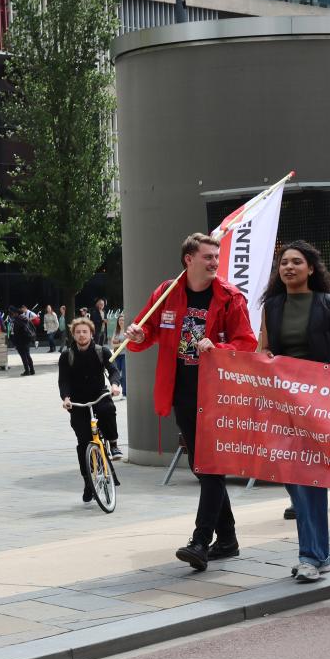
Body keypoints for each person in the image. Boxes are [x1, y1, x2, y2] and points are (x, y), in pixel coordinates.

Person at [128, 233, 258, 572]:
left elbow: (246, 343)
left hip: (216, 393)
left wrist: (219, 349)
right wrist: (140, 336)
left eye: (216, 256)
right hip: (181, 392)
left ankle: (200, 541)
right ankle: (227, 539)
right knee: (202, 466)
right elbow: (147, 332)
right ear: (189, 259)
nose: (215, 262)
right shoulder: (166, 293)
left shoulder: (229, 298)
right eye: (208, 257)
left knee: (209, 466)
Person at [257, 241, 330, 582]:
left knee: (308, 478)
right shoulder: (272, 306)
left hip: (319, 406)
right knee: (294, 479)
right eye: (284, 262)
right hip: (283, 405)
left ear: (311, 269)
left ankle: (311, 556)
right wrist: (265, 361)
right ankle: (320, 554)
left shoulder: (329, 304)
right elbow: (264, 349)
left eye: (297, 262)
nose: (289, 267)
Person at [58, 317, 123, 502]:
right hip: (78, 401)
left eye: (84, 331)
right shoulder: (66, 355)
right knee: (83, 444)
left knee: (107, 409)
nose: (81, 335)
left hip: (98, 395)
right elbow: (64, 381)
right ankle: (88, 481)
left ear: (91, 333)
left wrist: (115, 385)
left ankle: (113, 444)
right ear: (73, 334)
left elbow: (113, 370)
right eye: (78, 332)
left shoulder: (101, 351)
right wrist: (66, 398)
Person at [9, 306, 37, 376]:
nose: (12, 315)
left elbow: (14, 333)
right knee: (27, 355)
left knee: (23, 356)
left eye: (12, 313)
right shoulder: (26, 318)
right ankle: (32, 370)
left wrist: (14, 342)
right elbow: (33, 328)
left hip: (20, 340)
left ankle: (27, 371)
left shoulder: (16, 321)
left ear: (16, 313)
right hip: (27, 339)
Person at [110, 312, 128, 397]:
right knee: (116, 374)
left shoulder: (127, 331)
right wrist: (122, 343)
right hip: (117, 354)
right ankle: (115, 389)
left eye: (122, 320)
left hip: (125, 355)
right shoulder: (116, 330)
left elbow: (127, 343)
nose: (121, 321)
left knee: (124, 374)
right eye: (120, 320)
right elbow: (112, 344)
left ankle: (124, 393)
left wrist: (120, 343)